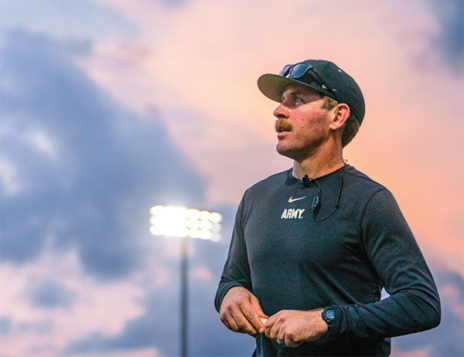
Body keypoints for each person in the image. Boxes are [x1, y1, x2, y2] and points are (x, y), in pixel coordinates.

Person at [214, 59, 441, 356]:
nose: (279, 110)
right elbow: (232, 280)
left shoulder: (369, 200)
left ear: (337, 116)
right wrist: (231, 294)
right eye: (282, 101)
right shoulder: (256, 197)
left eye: (297, 100)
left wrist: (326, 320)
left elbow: (422, 303)